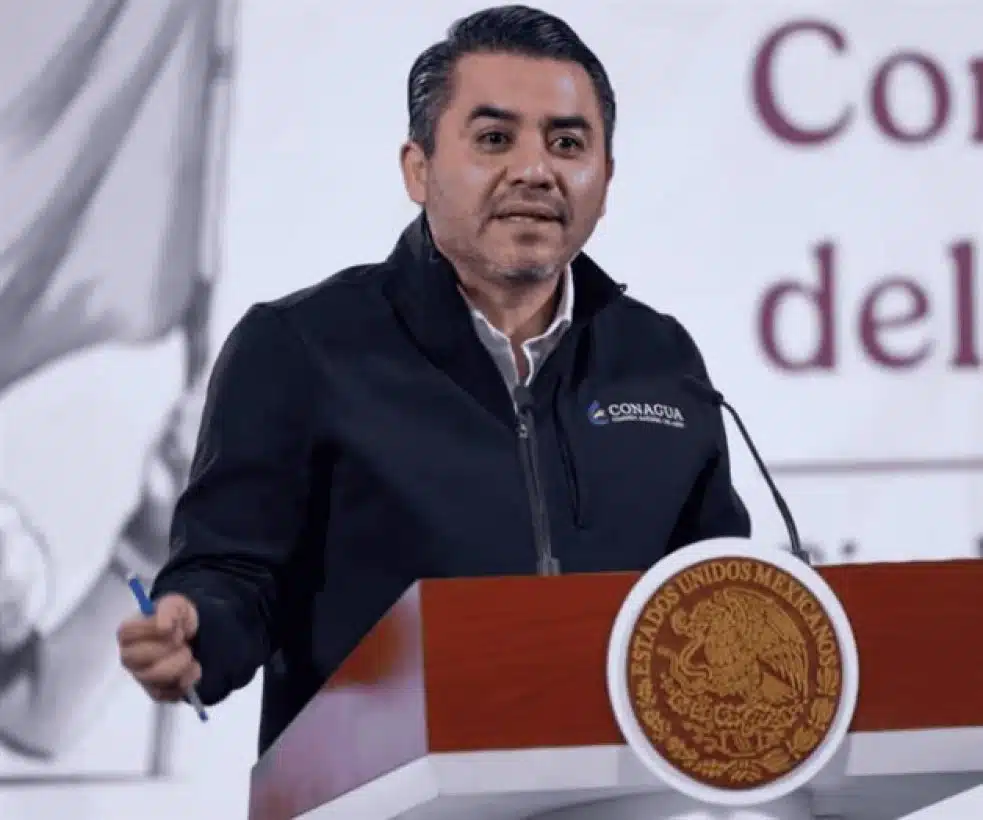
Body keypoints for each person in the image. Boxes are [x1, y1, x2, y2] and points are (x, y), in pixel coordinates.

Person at [116, 4, 751, 757]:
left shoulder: (658, 356)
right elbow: (233, 572)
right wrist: (197, 629)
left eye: (567, 143)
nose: (535, 170)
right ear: (418, 169)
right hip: (374, 788)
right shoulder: (301, 346)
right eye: (494, 139)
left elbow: (711, 591)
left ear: (605, 178)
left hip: (618, 792)